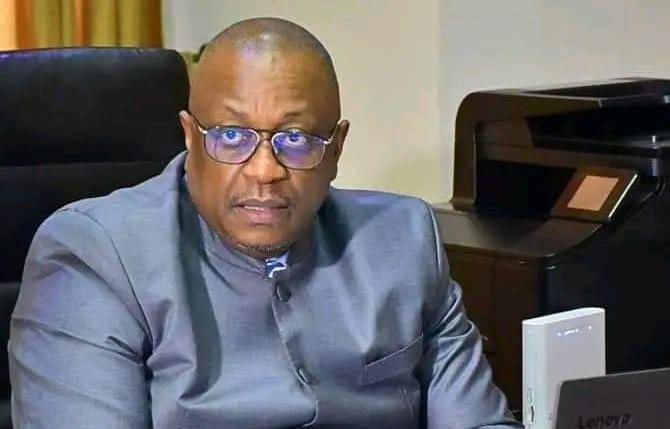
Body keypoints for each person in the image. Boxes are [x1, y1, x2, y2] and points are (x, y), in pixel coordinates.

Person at [9, 17, 521, 429]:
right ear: (189, 137)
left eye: (295, 139)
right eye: (231, 135)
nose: (264, 170)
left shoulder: (403, 237)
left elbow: (478, 420)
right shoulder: (94, 254)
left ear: (336, 148)